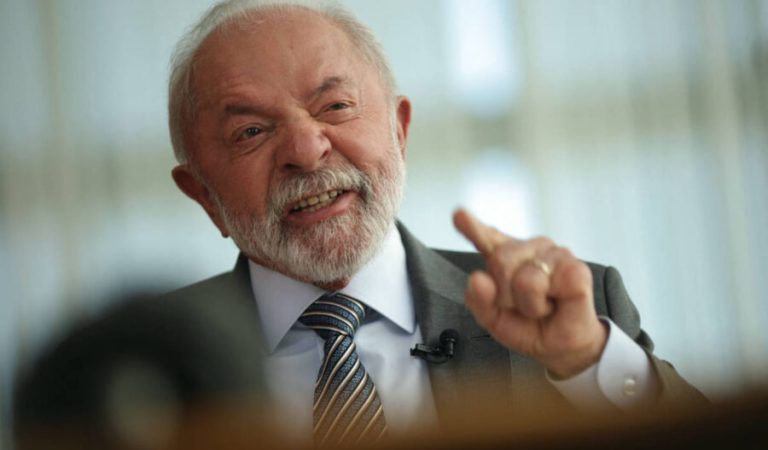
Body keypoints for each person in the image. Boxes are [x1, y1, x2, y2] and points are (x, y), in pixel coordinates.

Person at [164, 0, 705, 446]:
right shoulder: (152, 370)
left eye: (334, 105)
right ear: (203, 196)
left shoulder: (577, 317)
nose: (306, 151)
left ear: (399, 130)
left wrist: (588, 362)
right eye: (252, 132)